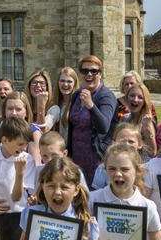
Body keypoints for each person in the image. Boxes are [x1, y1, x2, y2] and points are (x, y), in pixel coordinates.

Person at [66, 55, 117, 188]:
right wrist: (69, 153)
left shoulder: (106, 96)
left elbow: (104, 127)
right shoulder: (77, 95)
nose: (89, 74)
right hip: (77, 156)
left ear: (100, 74)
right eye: (85, 71)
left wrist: (91, 105)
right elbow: (73, 126)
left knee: (93, 196)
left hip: (96, 158)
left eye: (94, 71)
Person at [91, 122, 144, 191]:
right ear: (114, 143)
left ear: (140, 144)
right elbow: (96, 195)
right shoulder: (103, 168)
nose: (126, 145)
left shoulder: (147, 168)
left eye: (131, 141)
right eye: (122, 141)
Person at [115, 81, 157, 159]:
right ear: (126, 98)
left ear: (145, 101)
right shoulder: (124, 118)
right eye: (132, 96)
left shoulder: (147, 120)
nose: (135, 100)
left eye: (140, 97)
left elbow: (153, 152)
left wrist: (148, 129)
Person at [55, 67, 79, 140]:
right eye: (62, 81)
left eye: (69, 81)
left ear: (75, 84)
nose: (65, 84)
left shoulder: (78, 104)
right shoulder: (56, 102)